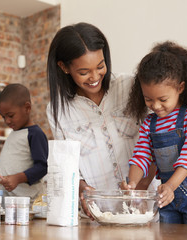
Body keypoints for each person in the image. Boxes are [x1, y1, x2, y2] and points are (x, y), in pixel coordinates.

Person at [46, 22, 156, 218]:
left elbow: (159, 137)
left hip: (145, 210)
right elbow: (68, 166)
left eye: (100, 66)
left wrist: (141, 188)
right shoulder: (58, 111)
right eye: (84, 72)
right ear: (63, 67)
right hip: (101, 214)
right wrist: (83, 190)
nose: (95, 76)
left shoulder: (130, 87)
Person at [122, 41, 187, 226]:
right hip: (166, 196)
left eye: (163, 99)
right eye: (148, 99)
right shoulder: (149, 124)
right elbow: (141, 156)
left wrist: (170, 186)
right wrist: (132, 185)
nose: (155, 106)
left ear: (180, 88)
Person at [0, 83, 48, 201]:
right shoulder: (14, 133)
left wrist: (18, 178)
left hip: (27, 204)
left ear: (27, 108)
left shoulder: (35, 134)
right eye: (3, 117)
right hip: (9, 202)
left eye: (10, 115)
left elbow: (42, 167)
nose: (7, 121)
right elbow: (16, 163)